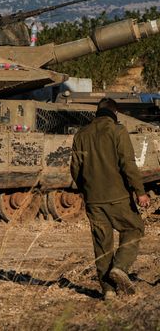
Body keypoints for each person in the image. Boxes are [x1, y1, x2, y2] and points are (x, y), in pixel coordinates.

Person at [70, 97, 151, 300]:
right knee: (134, 228)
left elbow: (75, 169)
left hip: (94, 199)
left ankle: (107, 290)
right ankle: (120, 268)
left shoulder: (81, 134)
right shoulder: (117, 130)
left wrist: (86, 191)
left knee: (102, 244)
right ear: (115, 113)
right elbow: (128, 164)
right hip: (119, 197)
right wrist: (140, 191)